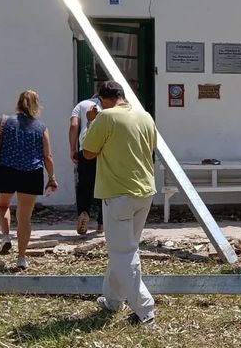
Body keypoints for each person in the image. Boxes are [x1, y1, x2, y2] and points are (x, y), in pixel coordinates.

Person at [81, 81, 158, 325]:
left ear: (102, 99)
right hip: (144, 191)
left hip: (118, 193)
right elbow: (151, 147)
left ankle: (145, 309)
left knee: (123, 252)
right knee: (124, 248)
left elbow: (88, 152)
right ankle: (113, 300)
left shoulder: (105, 118)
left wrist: (92, 121)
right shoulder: (145, 116)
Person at [0, 90, 58, 270]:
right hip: (32, 173)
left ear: (18, 103)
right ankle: (21, 258)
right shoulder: (41, 127)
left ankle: (6, 237)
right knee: (25, 217)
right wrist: (52, 177)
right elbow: (47, 155)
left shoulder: (4, 121)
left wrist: (9, 151)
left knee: (2, 205)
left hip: (7, 169)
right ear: (36, 105)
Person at [70, 90, 103, 235]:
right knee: (104, 184)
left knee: (84, 184)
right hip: (104, 150)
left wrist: (73, 148)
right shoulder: (110, 107)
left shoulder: (81, 105)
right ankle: (102, 223)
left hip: (86, 148)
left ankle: (83, 212)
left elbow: (74, 126)